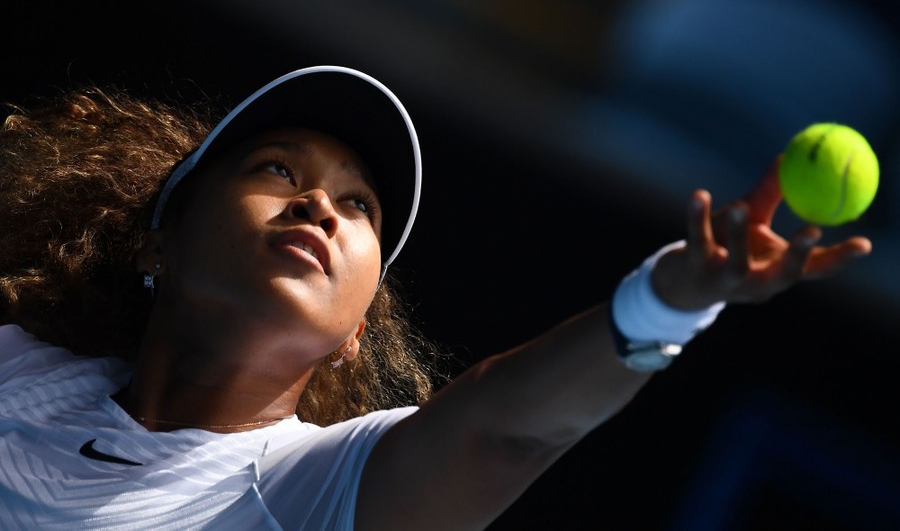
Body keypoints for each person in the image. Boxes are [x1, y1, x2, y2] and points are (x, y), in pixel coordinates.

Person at [0, 65, 871, 530]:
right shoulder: (16, 374)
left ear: (354, 334)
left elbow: (507, 427)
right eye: (277, 169)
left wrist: (673, 298)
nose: (320, 207)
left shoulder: (320, 489)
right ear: (161, 238)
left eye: (359, 206)